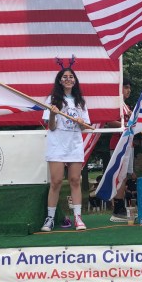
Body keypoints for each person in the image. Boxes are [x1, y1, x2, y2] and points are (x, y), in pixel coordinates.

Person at [41, 67, 91, 232]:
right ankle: (50, 219)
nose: (68, 79)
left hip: (74, 145)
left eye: (71, 77)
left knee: (75, 180)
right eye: (65, 77)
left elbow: (85, 128)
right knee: (55, 182)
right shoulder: (52, 99)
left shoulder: (80, 101)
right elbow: (51, 126)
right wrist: (53, 114)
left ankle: (78, 217)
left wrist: (80, 122)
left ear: (75, 80)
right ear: (60, 80)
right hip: (57, 145)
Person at [107, 77, 133, 222]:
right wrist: (126, 125)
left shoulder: (126, 106)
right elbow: (109, 121)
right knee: (119, 176)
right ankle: (117, 208)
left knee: (125, 176)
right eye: (126, 87)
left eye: (129, 87)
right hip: (118, 143)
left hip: (128, 143)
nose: (128, 90)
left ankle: (121, 205)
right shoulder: (115, 105)